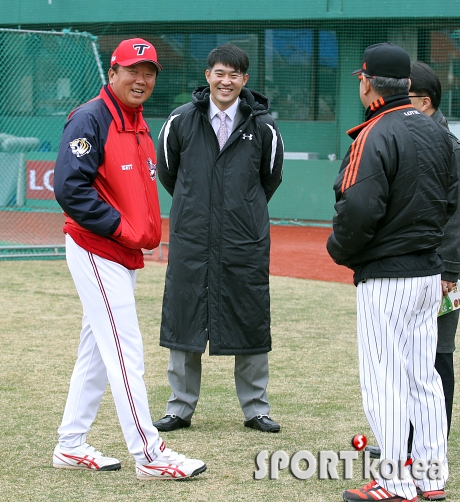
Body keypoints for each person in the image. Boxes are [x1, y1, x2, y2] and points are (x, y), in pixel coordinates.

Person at [53, 38, 206, 480]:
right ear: (113, 73)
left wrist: (134, 233)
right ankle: (150, 453)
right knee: (124, 350)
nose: (141, 80)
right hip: (97, 246)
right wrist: (121, 229)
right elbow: (70, 188)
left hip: (121, 252)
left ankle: (71, 443)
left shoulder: (135, 121)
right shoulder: (91, 117)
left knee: (98, 352)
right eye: (133, 70)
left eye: (150, 72)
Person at [326, 43, 457, 502]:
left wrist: (340, 250)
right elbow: (452, 200)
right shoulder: (437, 131)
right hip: (428, 273)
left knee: (385, 380)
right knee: (424, 378)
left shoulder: (375, 132)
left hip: (388, 276)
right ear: (406, 84)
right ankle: (431, 478)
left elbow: (358, 207)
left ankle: (394, 483)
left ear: (366, 83)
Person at [153, 44, 283, 433]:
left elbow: (269, 179)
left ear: (245, 81)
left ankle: (256, 408)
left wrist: (239, 209)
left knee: (249, 317)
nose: (226, 81)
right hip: (192, 237)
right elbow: (169, 173)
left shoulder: (264, 126)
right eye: (220, 73)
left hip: (244, 240)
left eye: (235, 75)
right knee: (184, 317)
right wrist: (200, 208)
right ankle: (179, 407)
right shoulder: (179, 121)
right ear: (208, 75)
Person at [365, 62, 460, 474]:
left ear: (422, 101)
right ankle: (406, 440)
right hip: (424, 266)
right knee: (410, 358)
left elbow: (455, 216)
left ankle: (426, 448)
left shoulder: (442, 142)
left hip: (441, 271)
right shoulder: (417, 134)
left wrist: (451, 272)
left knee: (435, 356)